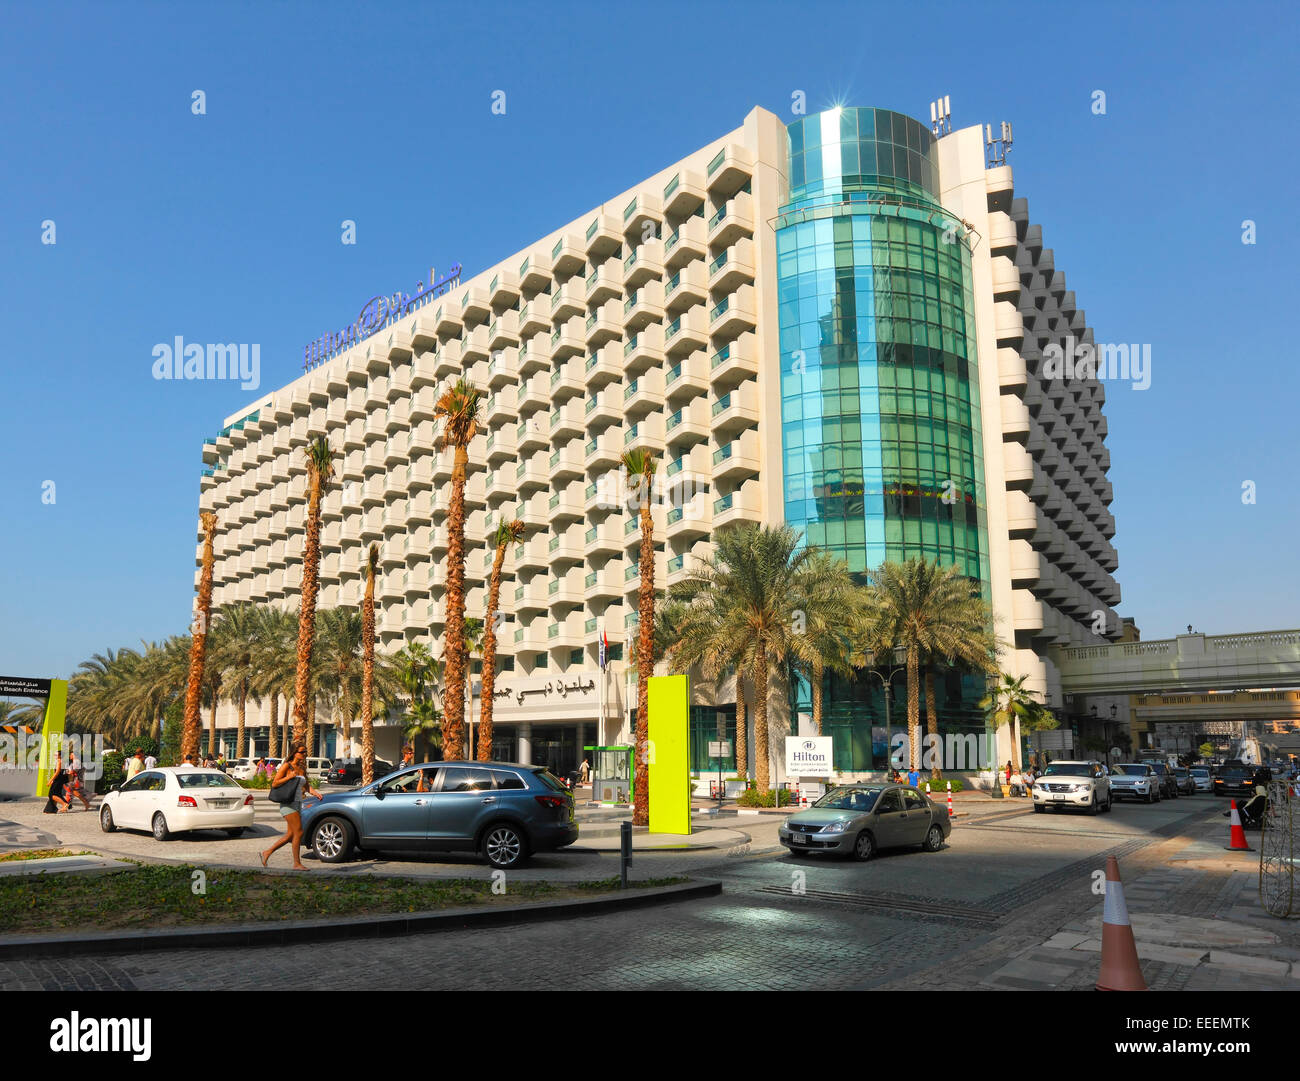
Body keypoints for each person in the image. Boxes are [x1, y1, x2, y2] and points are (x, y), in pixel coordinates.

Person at [261, 745, 322, 871]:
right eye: (302, 752)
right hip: (288, 803)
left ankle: (267, 852)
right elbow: (275, 783)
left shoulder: (301, 768)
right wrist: (289, 776)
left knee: (290, 835)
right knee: (299, 832)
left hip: (298, 803)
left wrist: (316, 793)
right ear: (294, 753)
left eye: (306, 752)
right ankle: (296, 864)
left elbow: (306, 786)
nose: (304, 754)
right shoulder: (286, 766)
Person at [66, 747, 92, 811]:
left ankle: (66, 806)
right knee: (71, 792)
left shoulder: (76, 762)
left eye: (71, 754)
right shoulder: (76, 762)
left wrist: (67, 772)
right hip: (77, 780)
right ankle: (67, 805)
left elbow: (73, 771)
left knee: (75, 793)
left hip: (76, 780)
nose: (70, 756)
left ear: (74, 755)